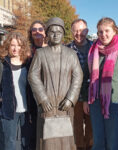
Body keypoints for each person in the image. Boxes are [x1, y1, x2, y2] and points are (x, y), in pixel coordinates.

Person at [28, 17, 83, 150]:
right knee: (47, 142)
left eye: (59, 32)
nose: (56, 34)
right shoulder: (41, 54)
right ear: (47, 34)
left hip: (65, 106)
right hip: (47, 106)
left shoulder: (71, 54)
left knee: (66, 141)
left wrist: (70, 99)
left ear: (63, 34)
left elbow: (78, 76)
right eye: (52, 31)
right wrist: (42, 98)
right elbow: (32, 75)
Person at [83, 17, 118, 150]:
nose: (103, 34)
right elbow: (87, 78)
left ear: (115, 32)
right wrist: (85, 100)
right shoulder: (93, 51)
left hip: (114, 105)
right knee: (98, 142)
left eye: (107, 31)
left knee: (113, 143)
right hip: (95, 103)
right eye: (100, 32)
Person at [0, 32, 31, 150]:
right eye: (12, 45)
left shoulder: (28, 64)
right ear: (8, 45)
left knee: (26, 141)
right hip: (8, 110)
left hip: (27, 111)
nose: (15, 48)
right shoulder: (3, 64)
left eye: (19, 45)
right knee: (9, 142)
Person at [67, 18, 93, 150]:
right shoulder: (66, 50)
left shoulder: (95, 47)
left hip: (92, 94)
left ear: (87, 31)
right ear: (72, 32)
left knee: (91, 128)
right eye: (76, 31)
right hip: (74, 96)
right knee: (76, 128)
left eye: (82, 30)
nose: (79, 34)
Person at [28, 20, 47, 150]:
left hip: (47, 92)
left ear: (45, 32)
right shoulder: (27, 51)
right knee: (33, 126)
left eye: (40, 29)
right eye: (34, 30)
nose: (37, 32)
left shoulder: (51, 49)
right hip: (30, 93)